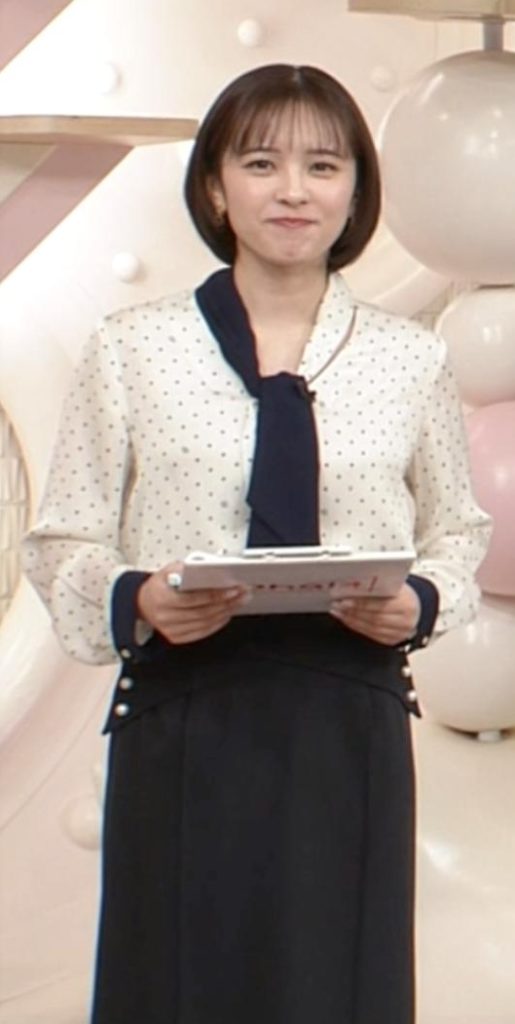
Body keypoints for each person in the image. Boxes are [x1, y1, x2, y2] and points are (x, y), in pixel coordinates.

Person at [22, 64, 491, 1024]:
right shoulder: (132, 348)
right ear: (214, 186)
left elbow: (456, 531)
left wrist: (418, 602)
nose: (292, 191)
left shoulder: (410, 358)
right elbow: (63, 537)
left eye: (322, 166)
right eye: (261, 162)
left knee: (335, 983)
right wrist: (139, 599)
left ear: (355, 191)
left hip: (345, 715)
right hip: (186, 708)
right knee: (178, 981)